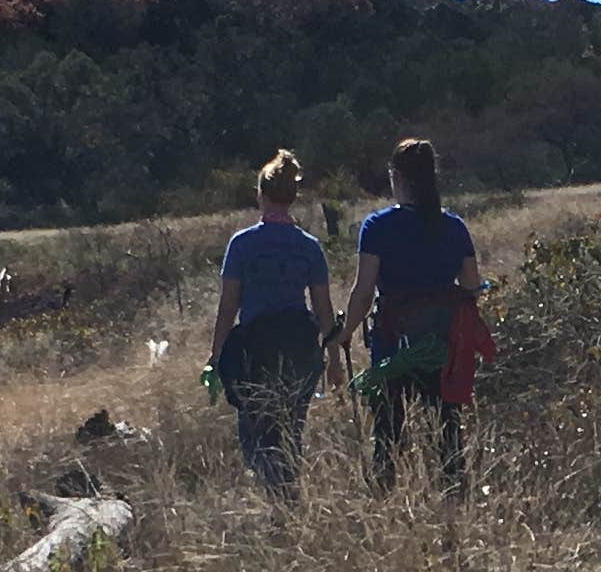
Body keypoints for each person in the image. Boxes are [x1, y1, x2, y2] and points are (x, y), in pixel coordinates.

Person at [340, 138, 483, 492]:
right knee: (447, 429)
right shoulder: (453, 227)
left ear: (396, 177)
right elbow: (470, 283)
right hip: (442, 343)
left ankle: (384, 498)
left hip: (393, 345)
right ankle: (454, 495)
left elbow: (363, 291)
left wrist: (343, 333)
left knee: (388, 430)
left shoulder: (377, 227)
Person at [207, 149, 337, 491]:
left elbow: (228, 306)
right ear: (292, 198)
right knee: (290, 432)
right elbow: (324, 310)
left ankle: (278, 498)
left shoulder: (242, 245)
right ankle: (288, 499)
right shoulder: (308, 247)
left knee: (255, 440)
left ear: (261, 195)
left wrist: (216, 356)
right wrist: (334, 358)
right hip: (299, 351)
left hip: (255, 355)